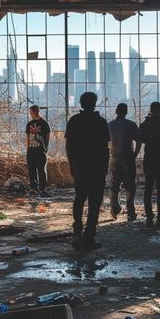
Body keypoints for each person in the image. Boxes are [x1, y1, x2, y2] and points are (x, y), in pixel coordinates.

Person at [65, 91, 110, 250]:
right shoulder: (101, 122)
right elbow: (106, 149)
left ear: (81, 104)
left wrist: (72, 165)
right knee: (94, 204)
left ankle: (77, 234)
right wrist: (105, 167)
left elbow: (69, 146)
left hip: (80, 168)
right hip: (97, 169)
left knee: (79, 199)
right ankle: (89, 238)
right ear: (95, 103)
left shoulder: (74, 121)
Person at [136, 101, 160, 228]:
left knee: (148, 188)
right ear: (159, 110)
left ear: (151, 110)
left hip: (148, 159)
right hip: (159, 159)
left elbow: (140, 140)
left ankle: (149, 219)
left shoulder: (144, 125)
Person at [108, 103, 140, 221]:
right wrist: (135, 154)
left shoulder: (110, 125)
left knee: (114, 184)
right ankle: (130, 212)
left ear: (116, 111)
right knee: (130, 185)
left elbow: (105, 141)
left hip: (115, 157)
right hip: (127, 157)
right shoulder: (131, 124)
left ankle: (114, 208)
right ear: (126, 112)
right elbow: (139, 140)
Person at [25, 105, 51, 195]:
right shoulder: (29, 124)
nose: (31, 114)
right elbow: (27, 138)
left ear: (36, 112)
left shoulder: (44, 124)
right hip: (31, 151)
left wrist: (45, 149)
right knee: (31, 170)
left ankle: (43, 189)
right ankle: (33, 188)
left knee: (41, 170)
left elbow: (47, 138)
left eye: (31, 112)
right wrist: (27, 150)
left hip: (40, 151)